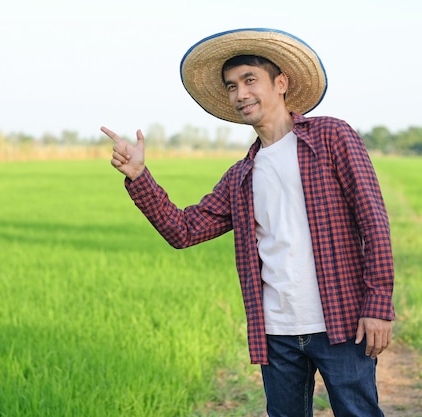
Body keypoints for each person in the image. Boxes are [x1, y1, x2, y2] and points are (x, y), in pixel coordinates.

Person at [101, 28, 394, 417]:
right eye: (231, 86)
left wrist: (378, 303)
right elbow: (183, 230)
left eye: (250, 81)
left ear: (281, 83)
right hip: (276, 331)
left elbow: (373, 221)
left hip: (341, 320)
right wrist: (139, 176)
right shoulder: (241, 176)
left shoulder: (331, 137)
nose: (240, 94)